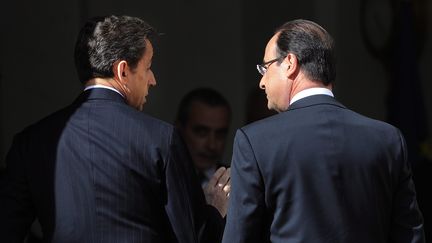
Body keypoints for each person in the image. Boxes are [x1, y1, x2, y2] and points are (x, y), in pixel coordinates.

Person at [0, 15, 229, 243]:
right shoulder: (160, 138)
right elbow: (191, 236)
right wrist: (213, 210)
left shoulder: (30, 142)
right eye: (148, 67)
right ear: (122, 72)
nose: (153, 80)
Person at [222, 19, 425, 243]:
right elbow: (410, 235)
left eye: (265, 67)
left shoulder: (254, 141)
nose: (262, 82)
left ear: (289, 62)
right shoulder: (388, 139)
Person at [175, 88, 231, 188]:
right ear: (179, 130)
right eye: (202, 133)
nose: (212, 145)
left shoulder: (238, 182)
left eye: (220, 135)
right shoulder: (160, 180)